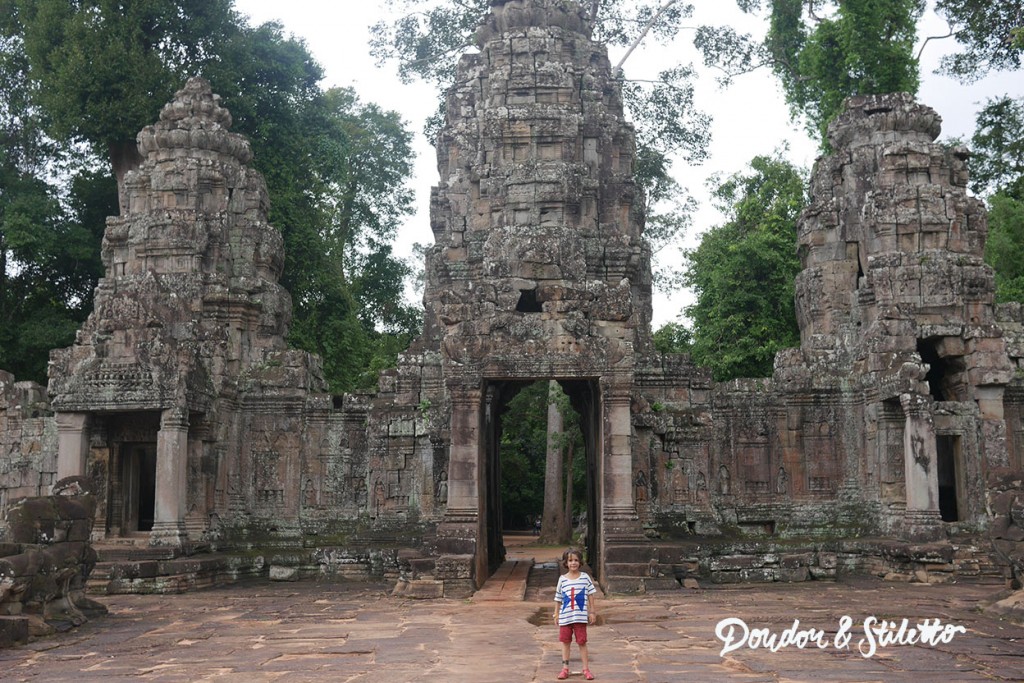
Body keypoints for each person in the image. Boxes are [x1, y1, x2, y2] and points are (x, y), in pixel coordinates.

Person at [553, 548, 597, 680]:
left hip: (580, 618)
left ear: (580, 562)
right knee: (565, 643)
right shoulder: (562, 579)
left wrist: (592, 612)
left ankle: (586, 669)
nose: (573, 563)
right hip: (565, 617)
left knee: (582, 642)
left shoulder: (585, 578)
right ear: (566, 563)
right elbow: (558, 598)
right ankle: (565, 669)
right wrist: (556, 614)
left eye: (576, 560)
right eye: (570, 560)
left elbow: (590, 595)